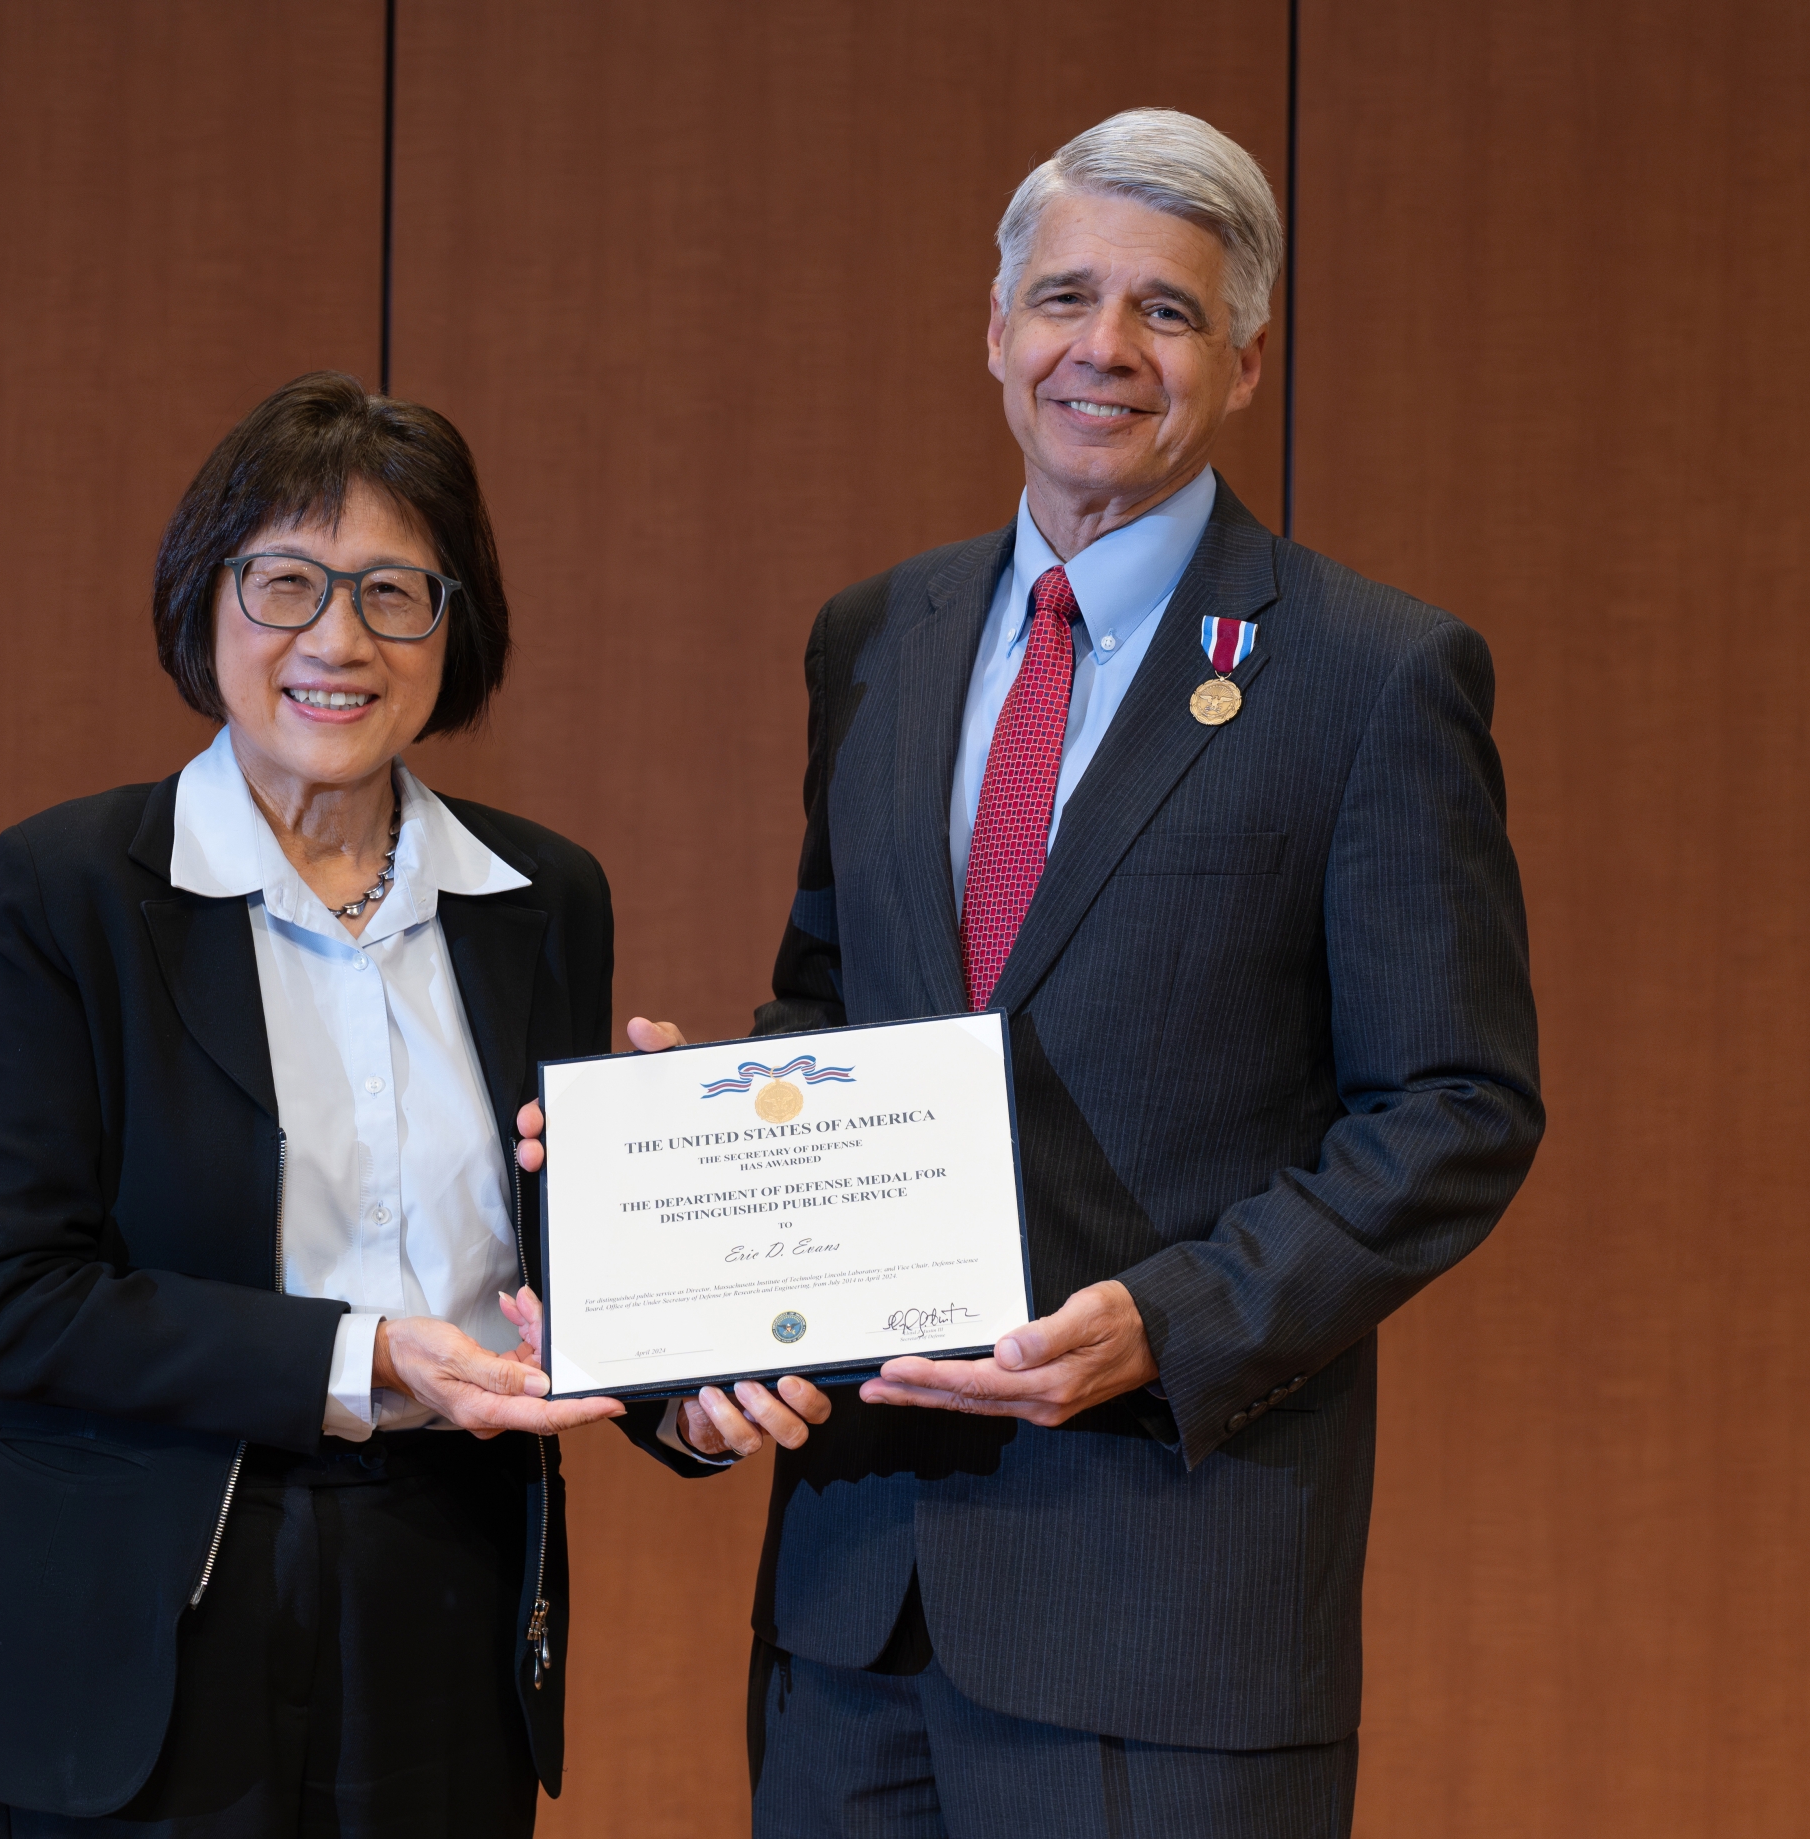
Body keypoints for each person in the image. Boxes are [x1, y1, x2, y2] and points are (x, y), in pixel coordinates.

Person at [520, 109, 1543, 1835]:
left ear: (1247, 362)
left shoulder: (1372, 675)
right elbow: (833, 1003)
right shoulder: (879, 640)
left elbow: (1454, 1108)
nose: (1105, 348)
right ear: (995, 334)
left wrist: (1169, 1324)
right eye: (1065, 297)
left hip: (1170, 1614)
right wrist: (705, 1167)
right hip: (856, 1609)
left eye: (1167, 311)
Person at [0, 372, 628, 1836]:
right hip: (146, 1607)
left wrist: (687, 1290)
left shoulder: (542, 899)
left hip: (446, 1587)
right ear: (206, 606)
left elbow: (567, 1277)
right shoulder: (74, 887)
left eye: (394, 593)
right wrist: (365, 1359)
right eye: (287, 583)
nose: (338, 640)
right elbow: (10, 1298)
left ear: (457, 628)